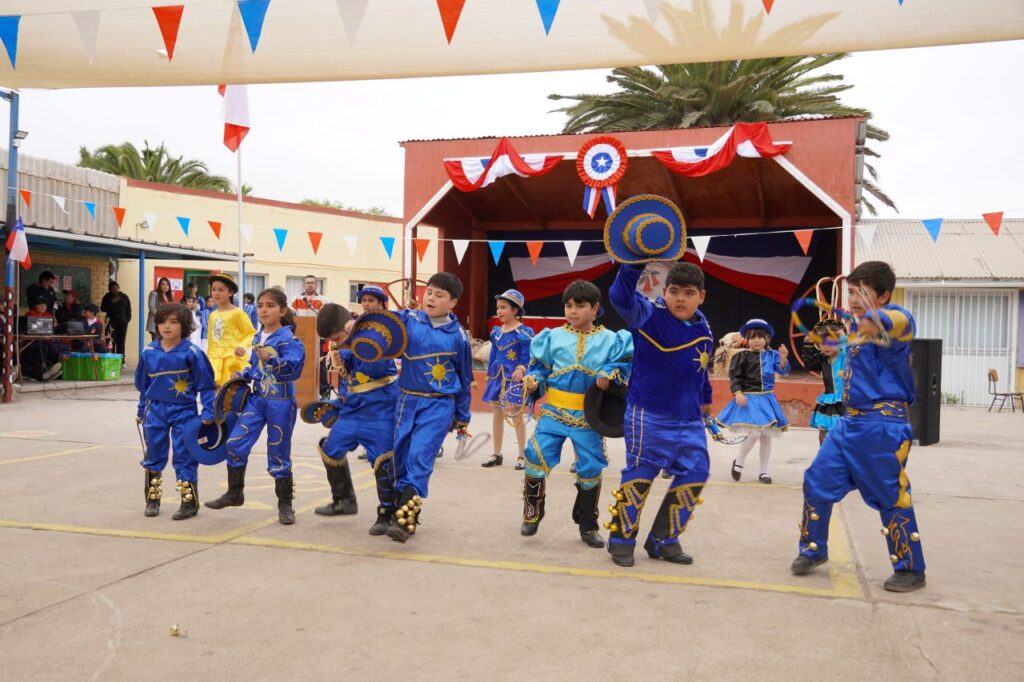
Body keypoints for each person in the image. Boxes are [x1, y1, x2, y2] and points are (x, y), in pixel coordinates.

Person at [791, 261, 926, 593]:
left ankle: (910, 567)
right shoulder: (854, 330)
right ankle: (813, 548)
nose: (853, 299)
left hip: (883, 426)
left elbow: (899, 321)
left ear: (884, 295)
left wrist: (874, 320)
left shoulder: (895, 323)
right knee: (816, 479)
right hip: (848, 423)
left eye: (861, 292)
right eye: (850, 292)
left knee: (891, 494)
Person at [603, 261, 714, 567]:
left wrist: (706, 400)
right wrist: (633, 264)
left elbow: (702, 368)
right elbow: (620, 296)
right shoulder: (649, 314)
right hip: (648, 414)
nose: (681, 299)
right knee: (641, 473)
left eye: (688, 293)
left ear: (701, 296)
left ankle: (663, 540)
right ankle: (621, 539)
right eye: (674, 291)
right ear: (664, 292)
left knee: (696, 471)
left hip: (689, 418)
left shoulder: (704, 327)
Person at [520, 280, 633, 549]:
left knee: (591, 467)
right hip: (554, 412)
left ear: (595, 309)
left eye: (580, 306)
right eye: (568, 305)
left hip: (589, 416)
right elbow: (541, 370)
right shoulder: (551, 337)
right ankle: (532, 513)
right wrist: (535, 381)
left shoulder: (611, 340)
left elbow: (622, 365)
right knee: (535, 455)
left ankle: (587, 523)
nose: (572, 311)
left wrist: (609, 374)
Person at [205, 288, 306, 525]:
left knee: (278, 450)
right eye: (260, 305)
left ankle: (285, 504)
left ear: (283, 311)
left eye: (270, 305)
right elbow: (254, 367)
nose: (264, 310)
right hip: (257, 398)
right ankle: (235, 493)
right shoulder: (258, 337)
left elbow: (294, 369)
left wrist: (272, 359)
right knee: (235, 442)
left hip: (281, 402)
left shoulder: (290, 340)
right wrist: (243, 374)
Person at [386, 273, 474, 543]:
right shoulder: (408, 320)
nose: (431, 298)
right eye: (430, 292)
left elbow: (465, 377)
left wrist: (462, 415)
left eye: (440, 295)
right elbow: (382, 331)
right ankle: (399, 510)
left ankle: (405, 521)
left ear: (453, 303)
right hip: (406, 401)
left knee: (420, 456)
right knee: (400, 457)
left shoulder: (459, 337)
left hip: (439, 405)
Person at [135, 303, 216, 520]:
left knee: (184, 454)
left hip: (184, 411)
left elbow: (206, 386)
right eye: (162, 322)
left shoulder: (193, 353)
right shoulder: (148, 352)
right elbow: (144, 387)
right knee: (154, 453)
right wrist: (141, 410)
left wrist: (209, 412)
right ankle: (152, 499)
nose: (167, 326)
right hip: (155, 410)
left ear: (185, 325)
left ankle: (189, 502)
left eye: (173, 322)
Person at [715, 319, 790, 484]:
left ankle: (763, 471)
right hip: (749, 399)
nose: (757, 340)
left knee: (766, 436)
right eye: (753, 337)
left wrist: (783, 358)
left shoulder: (772, 355)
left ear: (766, 339)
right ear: (746, 340)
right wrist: (737, 392)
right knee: (755, 432)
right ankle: (739, 461)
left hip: (767, 398)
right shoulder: (741, 356)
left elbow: (783, 371)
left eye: (760, 337)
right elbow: (735, 376)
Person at [481, 289, 534, 470]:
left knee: (516, 414)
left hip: (514, 377)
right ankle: (496, 453)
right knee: (497, 412)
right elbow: (493, 355)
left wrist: (522, 368)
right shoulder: (496, 332)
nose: (499, 311)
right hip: (498, 376)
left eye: (503, 307)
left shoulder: (523, 332)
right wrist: (489, 375)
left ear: (515, 310)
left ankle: (521, 455)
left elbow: (528, 355)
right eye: (498, 308)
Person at [802, 319, 848, 445]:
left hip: (844, 401)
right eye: (822, 343)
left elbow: (849, 350)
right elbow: (810, 364)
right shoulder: (822, 359)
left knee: (843, 435)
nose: (826, 347)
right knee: (823, 434)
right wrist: (808, 344)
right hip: (828, 402)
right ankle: (825, 455)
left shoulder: (844, 357)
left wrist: (843, 336)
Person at [205, 274, 256, 386]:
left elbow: (251, 333)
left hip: (232, 358)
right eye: (213, 289)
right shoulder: (212, 315)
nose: (216, 293)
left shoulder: (237, 313)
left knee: (231, 390)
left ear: (230, 292)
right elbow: (211, 339)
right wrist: (208, 357)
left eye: (221, 290)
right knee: (215, 389)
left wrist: (242, 346)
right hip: (214, 358)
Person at [22, 297, 62, 381]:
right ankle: (44, 371)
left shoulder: (48, 315)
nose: (43, 307)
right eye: (40, 305)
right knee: (43, 348)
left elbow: (51, 330)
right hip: (31, 342)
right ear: (35, 306)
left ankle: (51, 369)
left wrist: (54, 326)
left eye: (45, 305)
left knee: (54, 348)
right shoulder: (30, 314)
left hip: (45, 340)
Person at [100, 281, 132, 361]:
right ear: (110, 290)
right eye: (112, 289)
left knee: (121, 341)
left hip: (122, 323)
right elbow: (103, 308)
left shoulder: (124, 297)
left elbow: (129, 309)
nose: (115, 290)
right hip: (111, 322)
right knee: (111, 340)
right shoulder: (107, 297)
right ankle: (111, 358)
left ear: (118, 288)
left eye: (116, 288)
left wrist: (127, 320)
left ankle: (121, 360)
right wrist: (111, 302)